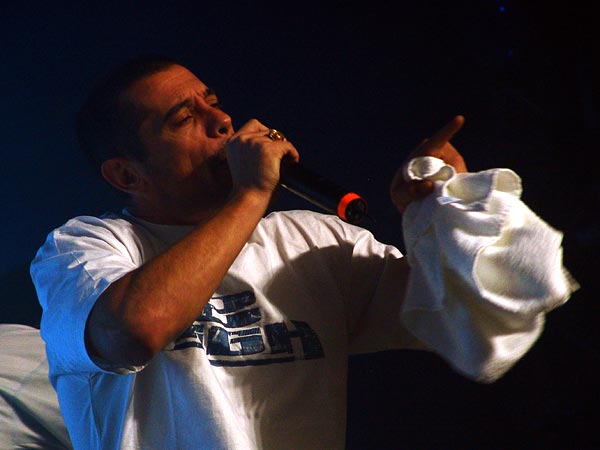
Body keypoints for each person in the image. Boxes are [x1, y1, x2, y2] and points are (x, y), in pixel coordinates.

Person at [29, 55, 577, 450]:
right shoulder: (82, 248)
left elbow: (466, 313)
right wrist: (251, 194)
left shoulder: (316, 242)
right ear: (127, 174)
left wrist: (442, 213)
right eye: (184, 118)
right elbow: (129, 333)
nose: (222, 121)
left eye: (213, 103)